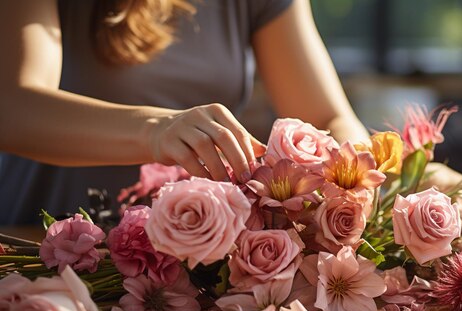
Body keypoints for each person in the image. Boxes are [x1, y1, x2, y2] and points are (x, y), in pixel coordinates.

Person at [0, 0, 370, 224]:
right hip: (46, 245)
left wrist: (356, 175)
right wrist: (154, 131)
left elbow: (327, 118)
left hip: (194, 266)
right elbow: (12, 108)